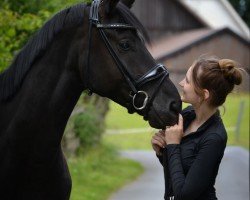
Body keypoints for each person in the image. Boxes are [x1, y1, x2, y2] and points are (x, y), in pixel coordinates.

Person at [151, 56, 243, 200]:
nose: (181, 83)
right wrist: (162, 151)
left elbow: (183, 195)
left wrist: (173, 144)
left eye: (187, 81)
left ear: (204, 94)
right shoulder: (186, 116)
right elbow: (178, 174)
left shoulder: (214, 137)